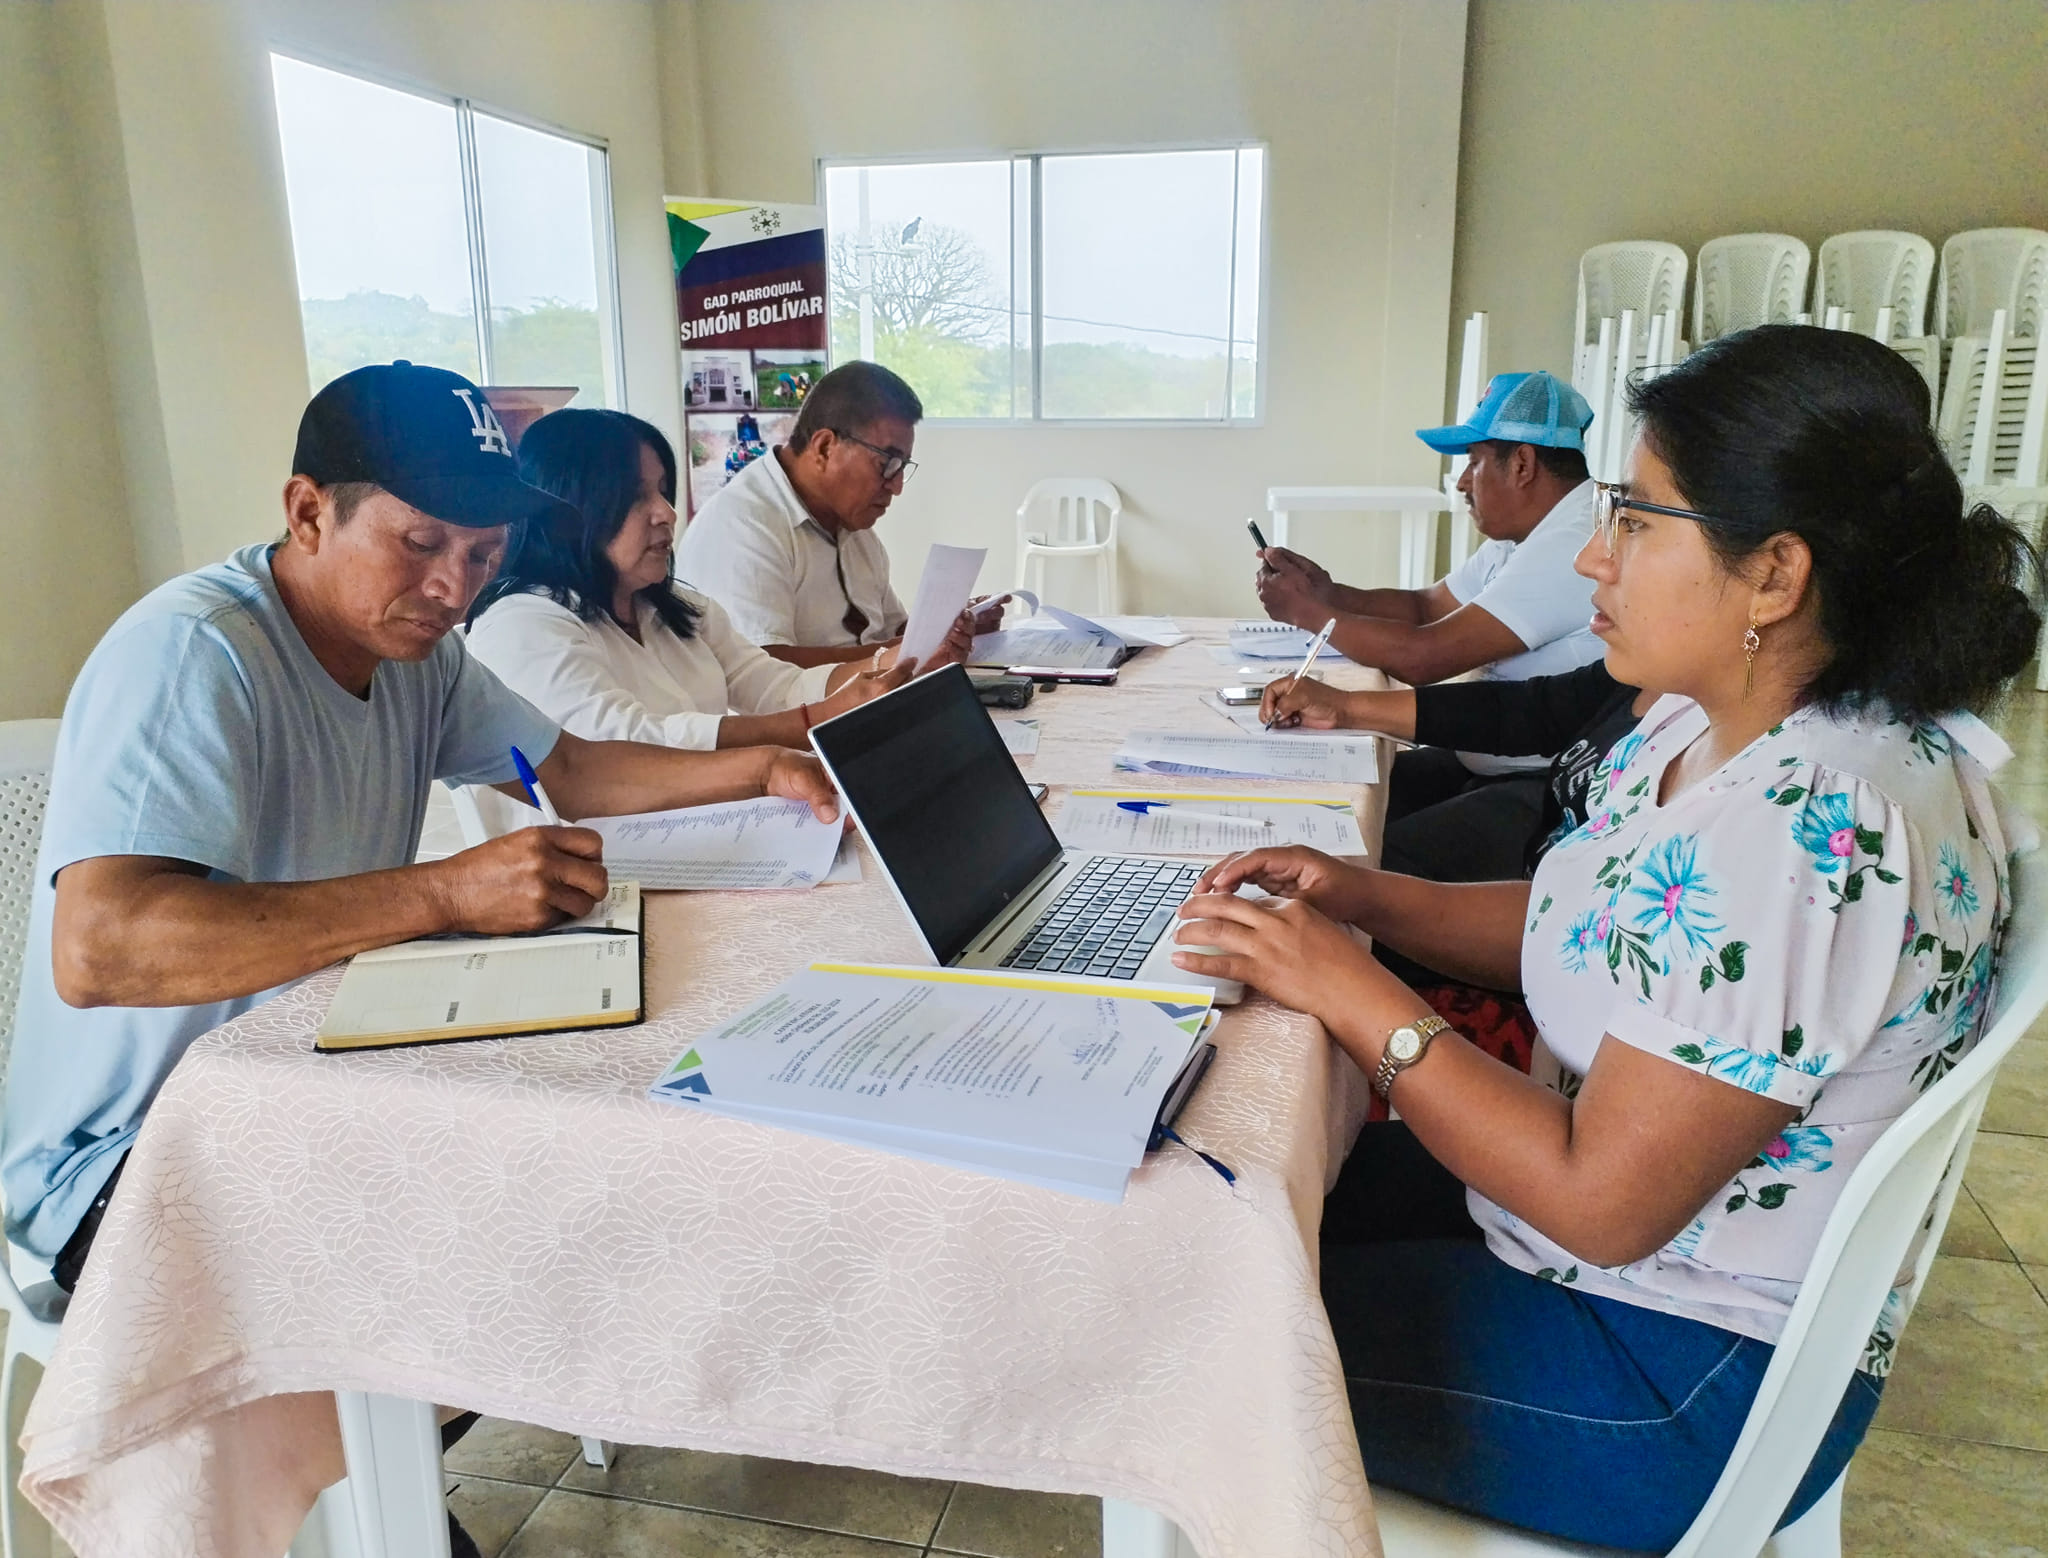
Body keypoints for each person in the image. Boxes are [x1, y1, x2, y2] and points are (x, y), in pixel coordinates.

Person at [1175, 326, 2040, 1550]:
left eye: (1633, 520)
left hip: (1672, 1365)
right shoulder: (1711, 719)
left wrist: (1354, 995)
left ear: (1773, 574)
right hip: (1611, 1260)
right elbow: (1587, 925)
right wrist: (1364, 897)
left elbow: (1598, 1201)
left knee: (1187, 1308)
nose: (1591, 555)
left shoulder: (1812, 823)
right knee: (1232, 1183)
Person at [1, 362, 839, 1295]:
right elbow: (101, 949)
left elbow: (567, 770)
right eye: (420, 542)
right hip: (132, 1154)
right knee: (496, 1248)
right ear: (308, 513)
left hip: (305, 1075)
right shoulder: (197, 654)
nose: (452, 587)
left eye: (483, 555)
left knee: (584, 1176)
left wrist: (758, 768)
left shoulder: (417, 656)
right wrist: (445, 893)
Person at [1255, 370, 1605, 883]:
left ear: (1523, 464)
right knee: (1325, 808)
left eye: (1474, 461)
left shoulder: (1574, 542)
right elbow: (1426, 607)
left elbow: (1426, 656)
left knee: (1355, 865)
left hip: (1542, 784)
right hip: (1486, 757)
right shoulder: (1529, 534)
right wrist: (1325, 593)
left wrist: (1308, 612)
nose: (1462, 482)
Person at [466, 407, 926, 751]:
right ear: (569, 508)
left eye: (663, 491)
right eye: (635, 496)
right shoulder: (521, 623)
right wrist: (810, 721)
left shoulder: (674, 608)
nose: (666, 513)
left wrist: (896, 661)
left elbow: (775, 686)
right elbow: (625, 745)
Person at [676, 360, 929, 667]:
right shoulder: (742, 526)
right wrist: (897, 655)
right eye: (887, 464)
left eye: (902, 467)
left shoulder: (854, 526)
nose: (896, 486)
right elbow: (765, 670)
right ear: (824, 447)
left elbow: (892, 630)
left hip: (870, 696)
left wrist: (945, 630)